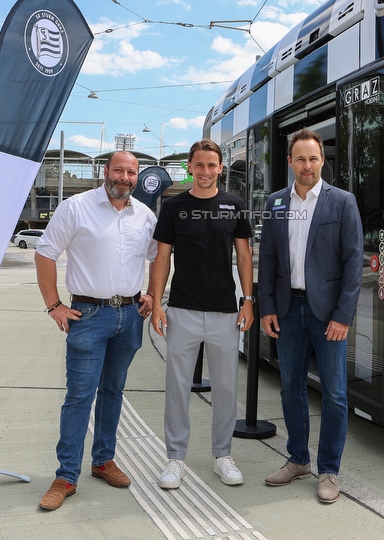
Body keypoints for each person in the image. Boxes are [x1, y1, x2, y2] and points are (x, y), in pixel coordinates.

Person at [34, 150, 158, 512]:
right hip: (87, 314)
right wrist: (54, 304)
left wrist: (152, 293)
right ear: (106, 171)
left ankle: (103, 461)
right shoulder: (76, 207)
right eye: (119, 170)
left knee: (113, 392)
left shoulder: (145, 216)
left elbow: (158, 257)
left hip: (130, 316)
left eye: (131, 172)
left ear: (137, 177)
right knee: (79, 396)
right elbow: (45, 253)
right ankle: (66, 476)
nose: (125, 177)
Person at [258, 127, 364, 504]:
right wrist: (267, 307)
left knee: (334, 394)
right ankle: (298, 459)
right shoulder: (275, 203)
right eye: (300, 158)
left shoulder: (342, 202)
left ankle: (329, 470)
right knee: (291, 388)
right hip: (288, 311)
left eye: (314, 158)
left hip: (328, 314)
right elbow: (268, 260)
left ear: (323, 161)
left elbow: (354, 264)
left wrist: (343, 315)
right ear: (290, 162)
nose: (307, 165)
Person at [150, 139, 254, 490]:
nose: (206, 171)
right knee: (177, 388)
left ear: (221, 168)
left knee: (226, 388)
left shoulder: (235, 205)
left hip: (226, 311)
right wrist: (156, 304)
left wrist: (249, 300)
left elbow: (244, 257)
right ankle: (174, 459)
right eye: (200, 165)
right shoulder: (174, 206)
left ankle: (222, 455)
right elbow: (161, 258)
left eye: (212, 165)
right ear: (190, 168)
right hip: (181, 310)